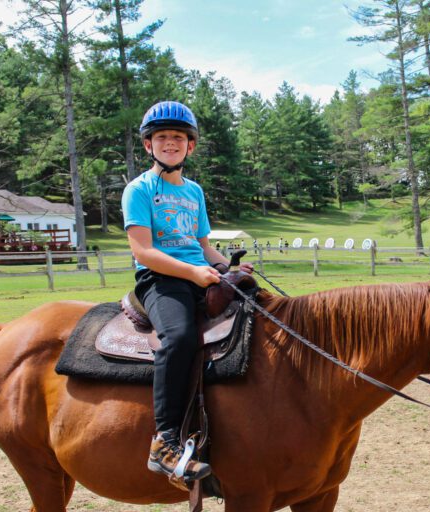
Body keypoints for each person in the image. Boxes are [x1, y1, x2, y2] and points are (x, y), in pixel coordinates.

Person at [122, 100, 252, 484]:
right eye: (162, 137)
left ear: (190, 146)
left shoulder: (194, 191)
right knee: (178, 337)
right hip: (159, 279)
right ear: (149, 145)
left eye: (178, 137)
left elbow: (203, 245)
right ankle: (163, 442)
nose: (170, 143)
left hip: (199, 273)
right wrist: (195, 274)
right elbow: (143, 251)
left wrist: (228, 268)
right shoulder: (139, 189)